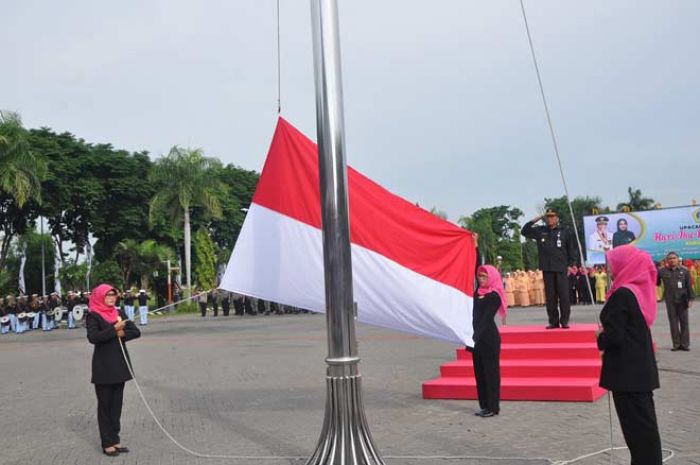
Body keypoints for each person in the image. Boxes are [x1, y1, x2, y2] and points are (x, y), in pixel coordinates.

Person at [596, 245, 662, 465]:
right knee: (645, 431)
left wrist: (600, 338)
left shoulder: (623, 294)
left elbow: (614, 336)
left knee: (638, 433)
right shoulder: (638, 290)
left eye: (614, 264)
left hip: (627, 375)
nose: (611, 269)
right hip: (639, 373)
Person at [86, 284, 141, 456]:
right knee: (105, 406)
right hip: (103, 367)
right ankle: (107, 443)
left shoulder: (118, 313)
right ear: (100, 296)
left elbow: (135, 331)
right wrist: (114, 329)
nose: (111, 298)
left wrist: (122, 334)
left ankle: (115, 440)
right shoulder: (93, 315)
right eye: (108, 295)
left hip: (119, 365)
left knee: (116, 406)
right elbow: (93, 337)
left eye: (113, 295)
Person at [521, 208, 577, 328]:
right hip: (547, 268)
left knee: (564, 296)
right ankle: (553, 321)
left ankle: (564, 321)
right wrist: (538, 218)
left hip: (562, 268)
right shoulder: (541, 231)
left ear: (557, 218)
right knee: (550, 297)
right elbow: (524, 231)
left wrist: (571, 265)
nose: (550, 219)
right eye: (548, 217)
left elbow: (571, 249)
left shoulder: (565, 232)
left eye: (552, 216)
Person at [471, 265, 507, 418]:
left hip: (488, 339)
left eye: (485, 276)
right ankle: (484, 405)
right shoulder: (475, 294)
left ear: (492, 277)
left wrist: (472, 337)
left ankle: (493, 406)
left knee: (491, 374)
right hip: (476, 339)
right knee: (479, 374)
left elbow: (486, 319)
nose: (481, 279)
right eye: (480, 276)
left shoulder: (494, 296)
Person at [657, 252, 694, 351]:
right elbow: (656, 282)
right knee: (673, 322)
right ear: (667, 260)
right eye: (669, 258)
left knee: (684, 322)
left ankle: (685, 345)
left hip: (683, 299)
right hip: (670, 300)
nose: (672, 260)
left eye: (674, 258)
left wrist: (690, 299)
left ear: (678, 259)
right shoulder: (662, 271)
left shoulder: (685, 271)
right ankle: (676, 345)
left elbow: (689, 286)